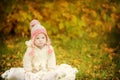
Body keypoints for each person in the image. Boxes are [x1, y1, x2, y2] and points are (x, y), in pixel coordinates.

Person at [1, 19, 78, 80]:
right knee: (21, 76)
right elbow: (26, 60)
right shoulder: (31, 49)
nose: (40, 40)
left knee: (51, 74)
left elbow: (52, 59)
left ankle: (50, 77)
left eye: (43, 37)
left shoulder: (49, 48)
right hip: (33, 71)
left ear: (46, 38)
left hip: (45, 70)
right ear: (33, 39)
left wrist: (51, 68)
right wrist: (28, 70)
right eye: (37, 38)